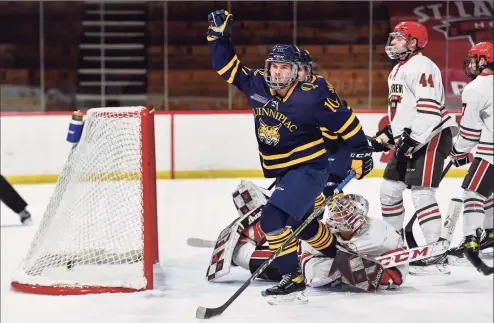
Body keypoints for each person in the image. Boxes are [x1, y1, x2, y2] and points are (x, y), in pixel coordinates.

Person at [207, 9, 374, 304]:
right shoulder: (258, 84)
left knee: (272, 217)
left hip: (310, 168)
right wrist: (218, 37)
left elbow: (347, 124)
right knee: (302, 223)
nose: (277, 72)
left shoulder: (314, 94)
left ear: (298, 71)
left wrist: (360, 151)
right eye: (274, 66)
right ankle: (333, 251)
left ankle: (292, 277)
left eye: (285, 68)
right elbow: (226, 68)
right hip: (285, 170)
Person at [369, 21, 458, 275]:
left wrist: (412, 139)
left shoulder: (423, 66)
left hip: (432, 135)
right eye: (393, 38)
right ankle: (393, 243)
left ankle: (434, 249)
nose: (393, 42)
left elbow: (429, 112)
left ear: (414, 42)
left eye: (399, 38)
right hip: (414, 137)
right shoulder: (397, 70)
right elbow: (404, 114)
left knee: (421, 193)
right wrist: (386, 137)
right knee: (389, 191)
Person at [301, 194, 408, 291]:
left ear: (357, 215)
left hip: (390, 272)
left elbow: (400, 260)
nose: (336, 215)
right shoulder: (328, 230)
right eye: (336, 211)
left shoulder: (378, 230)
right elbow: (307, 261)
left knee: (344, 263)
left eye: (343, 212)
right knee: (334, 265)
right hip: (346, 269)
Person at [447, 42, 493, 265]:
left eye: (474, 59)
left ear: (484, 60)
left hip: (491, 153)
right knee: (489, 192)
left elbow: (470, 134)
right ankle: (492, 234)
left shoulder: (476, 88)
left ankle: (470, 241)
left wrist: (457, 150)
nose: (470, 64)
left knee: (473, 193)